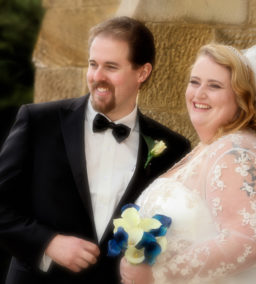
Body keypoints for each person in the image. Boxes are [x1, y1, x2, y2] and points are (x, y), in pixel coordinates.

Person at [0, 16, 190, 284]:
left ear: (142, 73)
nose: (97, 77)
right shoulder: (39, 122)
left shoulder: (172, 149)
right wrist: (48, 243)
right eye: (93, 64)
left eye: (111, 67)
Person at [119, 43, 256, 284]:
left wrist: (159, 274)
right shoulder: (208, 148)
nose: (199, 94)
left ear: (240, 98)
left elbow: (248, 240)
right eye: (195, 82)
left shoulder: (236, 152)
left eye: (214, 86)